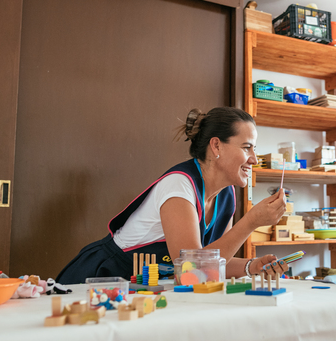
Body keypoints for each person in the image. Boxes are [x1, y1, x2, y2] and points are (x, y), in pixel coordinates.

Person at [58, 107, 289, 284]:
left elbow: (214, 263)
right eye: (246, 147)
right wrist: (250, 222)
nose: (254, 159)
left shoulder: (226, 194)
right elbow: (190, 270)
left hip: (145, 287)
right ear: (216, 146)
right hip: (105, 279)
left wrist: (253, 266)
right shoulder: (179, 185)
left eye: (254, 149)